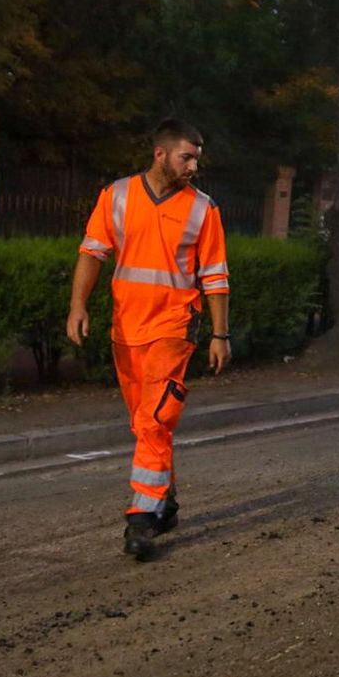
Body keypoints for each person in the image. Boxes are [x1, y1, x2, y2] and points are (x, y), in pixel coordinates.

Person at [66, 119, 231, 560]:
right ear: (160, 154)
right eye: (186, 156)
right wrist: (78, 306)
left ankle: (142, 517)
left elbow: (215, 275)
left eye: (197, 157)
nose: (194, 165)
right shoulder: (116, 196)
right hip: (127, 329)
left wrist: (220, 333)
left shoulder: (204, 209)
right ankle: (166, 497)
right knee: (145, 422)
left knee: (155, 420)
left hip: (175, 326)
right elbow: (92, 253)